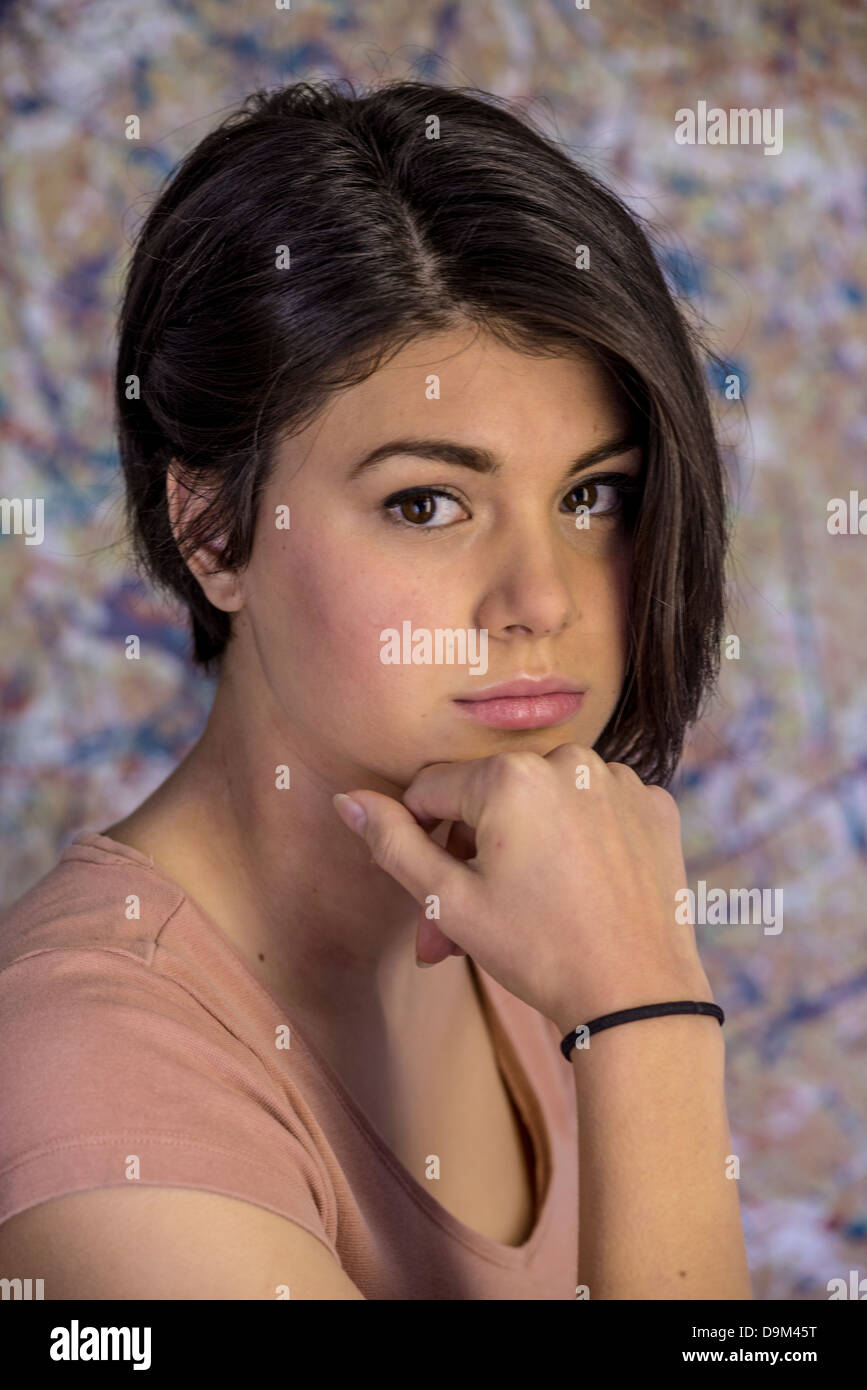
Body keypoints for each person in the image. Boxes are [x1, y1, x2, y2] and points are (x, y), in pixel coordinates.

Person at [0, 78, 751, 1299]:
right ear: (214, 535)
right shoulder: (89, 1081)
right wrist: (647, 1018)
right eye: (425, 503)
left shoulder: (537, 908)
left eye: (589, 496)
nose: (544, 600)